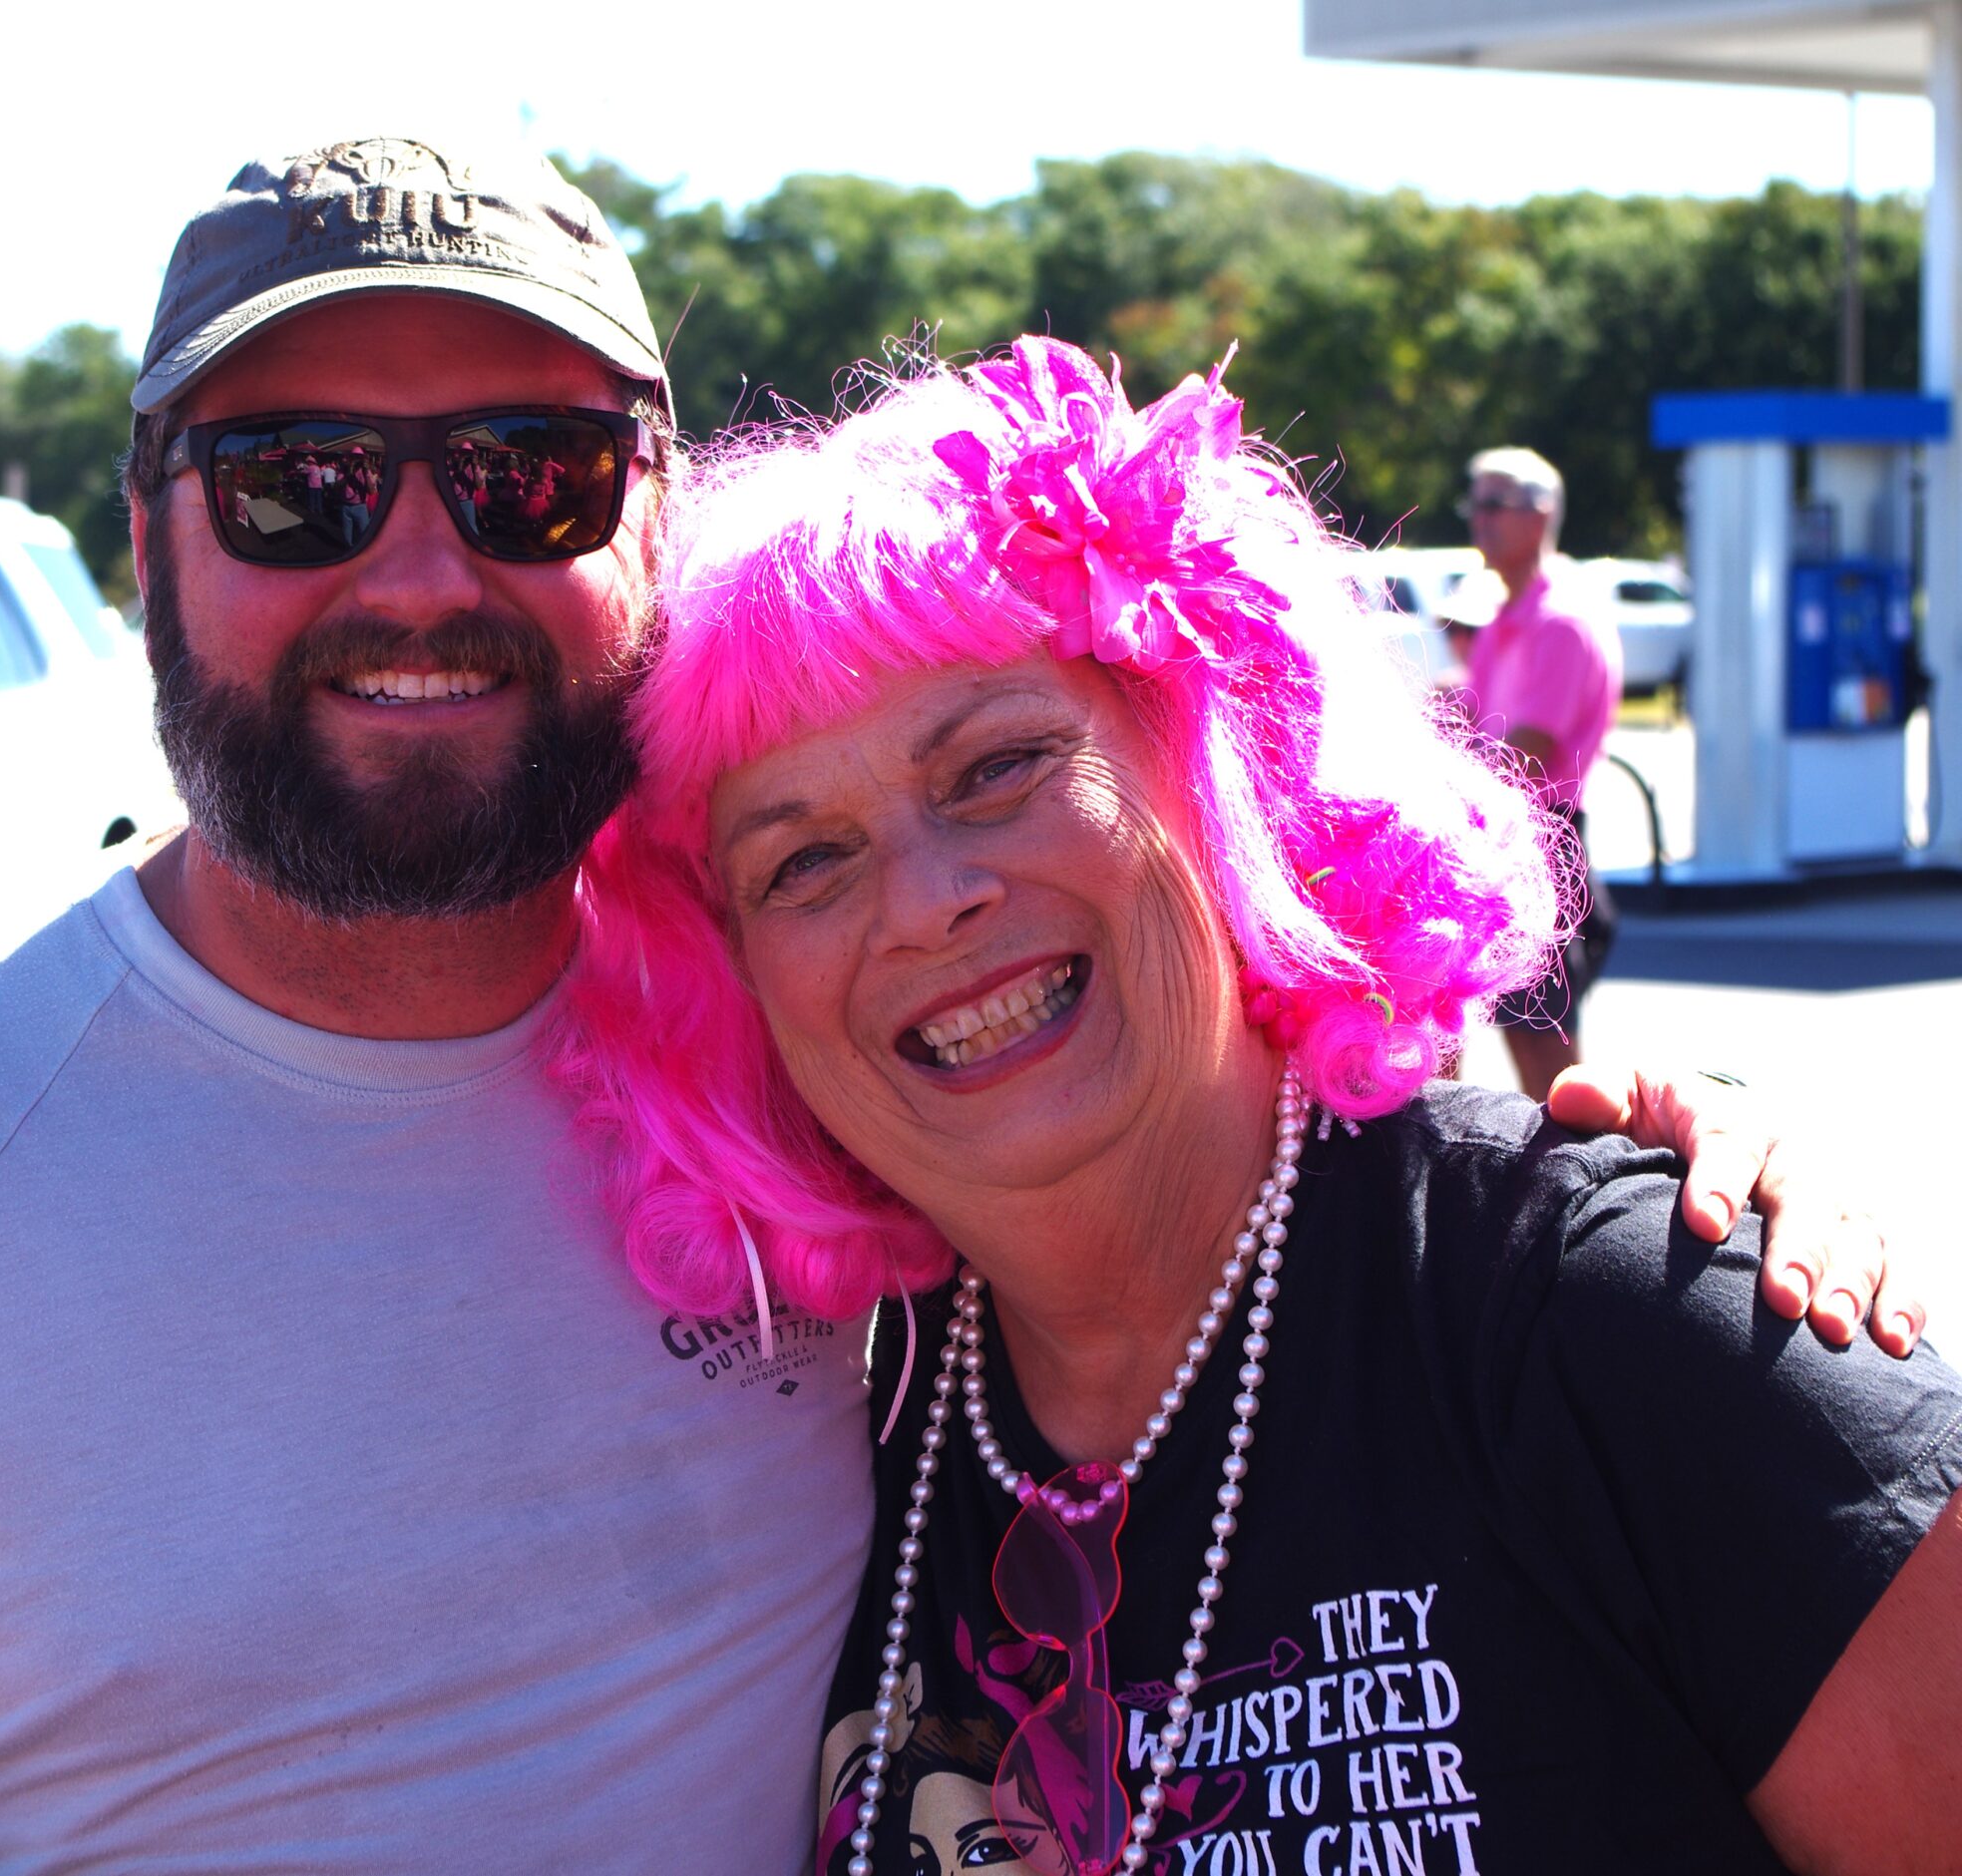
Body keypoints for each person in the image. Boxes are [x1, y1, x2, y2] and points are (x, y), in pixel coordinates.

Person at [0, 144, 1910, 1876]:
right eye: (293, 481)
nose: (415, 565)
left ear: (646, 518)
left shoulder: (857, 1160)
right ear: (144, 526)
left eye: (525, 470)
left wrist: (1645, 1185)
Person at [557, 337, 1961, 1873]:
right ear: (737, 976)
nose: (924, 901)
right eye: (804, 860)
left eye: (999, 766)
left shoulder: (1620, 1321)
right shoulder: (833, 1429)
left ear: (1212, 758)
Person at [1456, 448, 1623, 1099]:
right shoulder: (1509, 617)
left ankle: (1575, 1165)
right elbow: (1481, 724)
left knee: (1553, 1075)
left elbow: (1523, 756)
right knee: (1528, 1051)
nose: (1479, 518)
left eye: (1494, 504)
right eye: (1475, 503)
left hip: (1542, 845)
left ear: (1541, 515)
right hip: (1516, 842)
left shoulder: (1560, 625)